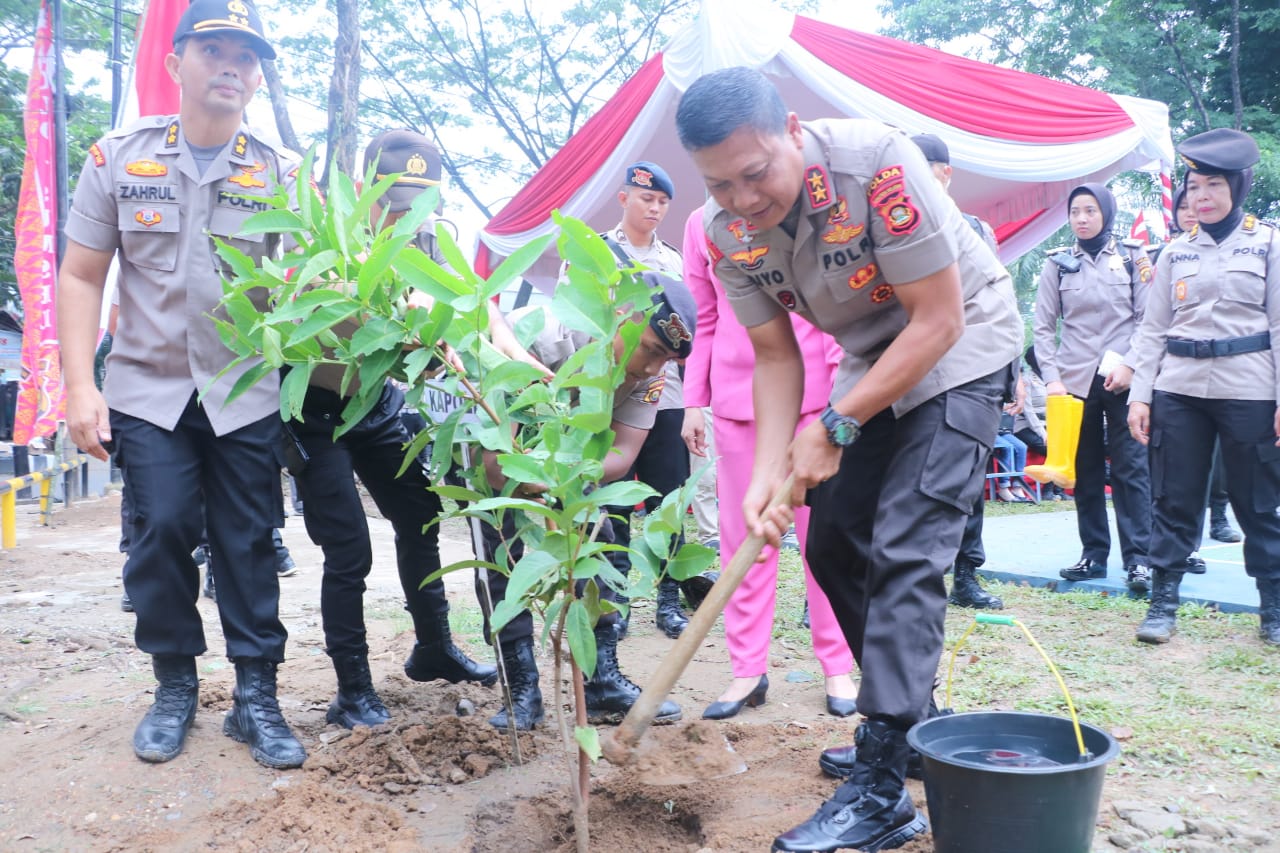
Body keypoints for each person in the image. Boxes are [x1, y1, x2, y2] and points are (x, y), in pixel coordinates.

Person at [676, 67, 1022, 852]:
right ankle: (912, 728)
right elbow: (771, 358)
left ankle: (881, 784)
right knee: (832, 540)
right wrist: (769, 473)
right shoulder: (725, 230)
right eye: (719, 183)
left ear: (793, 131)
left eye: (755, 172)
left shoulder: (880, 167)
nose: (742, 199)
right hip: (870, 364)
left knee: (906, 548)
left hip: (962, 348)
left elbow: (938, 320)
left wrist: (830, 426)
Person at [57, 0, 306, 769]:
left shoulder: (283, 173)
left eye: (248, 55)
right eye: (215, 49)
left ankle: (256, 697)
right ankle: (174, 685)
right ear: (176, 64)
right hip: (149, 386)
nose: (233, 65)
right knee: (160, 528)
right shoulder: (117, 159)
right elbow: (80, 274)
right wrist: (78, 386)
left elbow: (312, 284)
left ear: (258, 78)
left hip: (245, 392)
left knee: (248, 541)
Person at [282, 129, 521, 729]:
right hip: (314, 412)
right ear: (365, 190)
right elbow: (360, 314)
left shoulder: (431, 238)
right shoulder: (333, 236)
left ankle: (433, 648)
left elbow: (474, 300)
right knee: (348, 551)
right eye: (392, 200)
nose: (404, 214)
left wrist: (516, 356)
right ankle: (353, 689)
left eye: (418, 200)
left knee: (422, 519)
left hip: (376, 405)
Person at [478, 271, 695, 729]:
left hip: (572, 469)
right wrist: (536, 476)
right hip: (507, 461)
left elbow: (623, 452)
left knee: (602, 546)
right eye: (652, 351)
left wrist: (566, 476)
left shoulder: (650, 373)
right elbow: (496, 466)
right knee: (504, 561)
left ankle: (600, 680)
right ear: (622, 316)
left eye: (667, 359)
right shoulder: (537, 337)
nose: (656, 369)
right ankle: (520, 688)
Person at [680, 204, 858, 720]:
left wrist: (837, 398)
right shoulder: (699, 225)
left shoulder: (794, 205)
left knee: (823, 540)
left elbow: (831, 303)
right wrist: (696, 400)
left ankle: (837, 665)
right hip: (738, 398)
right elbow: (704, 314)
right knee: (745, 539)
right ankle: (747, 670)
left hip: (815, 397)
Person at [1123, 128, 1280, 646]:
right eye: (1193, 187)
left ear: (1237, 187)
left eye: (1213, 185)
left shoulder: (1270, 242)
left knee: (1257, 502)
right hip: (1180, 388)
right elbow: (1152, 329)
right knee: (1173, 497)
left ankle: (1273, 609)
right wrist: (1140, 394)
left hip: (1249, 388)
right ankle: (1163, 603)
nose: (1202, 197)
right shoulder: (1174, 253)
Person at [596, 162, 714, 640]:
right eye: (647, 199)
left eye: (663, 202)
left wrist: (694, 405)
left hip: (665, 397)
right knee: (616, 501)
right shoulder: (596, 253)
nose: (655, 208)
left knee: (669, 500)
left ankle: (669, 599)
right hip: (608, 395)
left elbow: (694, 335)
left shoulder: (673, 259)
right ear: (624, 199)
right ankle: (617, 598)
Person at [1033, 182, 1154, 594]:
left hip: (1124, 382)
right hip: (1074, 384)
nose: (1082, 219)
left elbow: (1148, 319)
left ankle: (1140, 560)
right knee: (1083, 471)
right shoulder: (1057, 264)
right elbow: (1043, 326)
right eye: (1075, 212)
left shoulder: (1134, 257)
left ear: (1106, 213)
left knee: (1131, 469)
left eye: (1090, 211)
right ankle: (1093, 555)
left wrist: (1132, 365)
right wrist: (1051, 378)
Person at [912, 132, 1009, 610]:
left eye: (927, 174)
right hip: (913, 373)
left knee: (970, 484)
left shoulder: (976, 230)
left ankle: (966, 576)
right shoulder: (894, 226)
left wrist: (1012, 374)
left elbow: (998, 301)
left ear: (946, 175)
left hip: (971, 373)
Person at [1163, 185, 1243, 550]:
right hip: (1173, 373)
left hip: (1230, 374)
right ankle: (1178, 549)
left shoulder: (1244, 247)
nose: (1191, 208)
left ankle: (1220, 513)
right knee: (1178, 472)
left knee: (1221, 458)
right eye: (1183, 204)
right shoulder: (1165, 256)